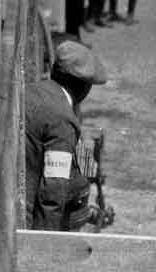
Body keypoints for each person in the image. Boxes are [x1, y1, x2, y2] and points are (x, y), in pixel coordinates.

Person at [25, 41, 107, 230]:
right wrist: (47, 240)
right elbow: (53, 190)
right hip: (34, 214)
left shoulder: (34, 90)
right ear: (82, 86)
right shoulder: (62, 118)